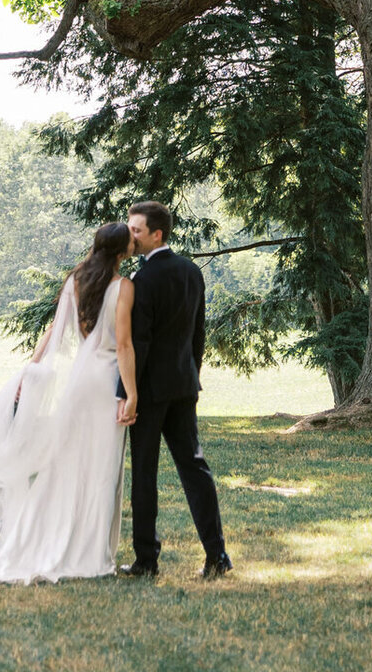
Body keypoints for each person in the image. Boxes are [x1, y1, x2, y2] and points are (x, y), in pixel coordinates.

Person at [0, 221, 137, 584]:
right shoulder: (123, 287)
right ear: (121, 250)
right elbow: (124, 345)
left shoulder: (76, 281)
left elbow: (53, 331)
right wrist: (131, 393)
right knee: (100, 469)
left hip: (79, 381)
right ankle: (91, 553)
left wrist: (31, 368)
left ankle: (37, 540)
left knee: (64, 465)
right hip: (105, 378)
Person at [120, 200, 231, 580]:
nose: (129, 236)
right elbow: (198, 334)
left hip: (150, 393)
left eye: (136, 230)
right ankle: (217, 555)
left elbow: (139, 343)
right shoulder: (191, 271)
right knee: (195, 469)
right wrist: (192, 375)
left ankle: (146, 561)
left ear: (157, 234)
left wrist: (127, 392)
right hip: (184, 386)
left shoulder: (141, 281)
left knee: (144, 475)